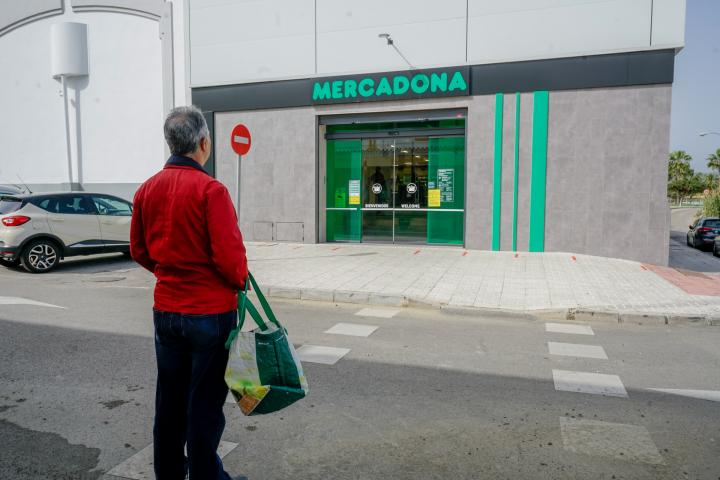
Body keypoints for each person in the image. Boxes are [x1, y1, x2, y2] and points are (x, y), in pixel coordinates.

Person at [130, 105, 248, 480]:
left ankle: (168, 474)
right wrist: (239, 281)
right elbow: (230, 259)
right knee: (205, 405)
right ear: (203, 143)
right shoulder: (211, 190)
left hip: (166, 311)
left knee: (169, 402)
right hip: (210, 314)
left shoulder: (146, 189)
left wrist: (168, 273)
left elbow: (138, 250)